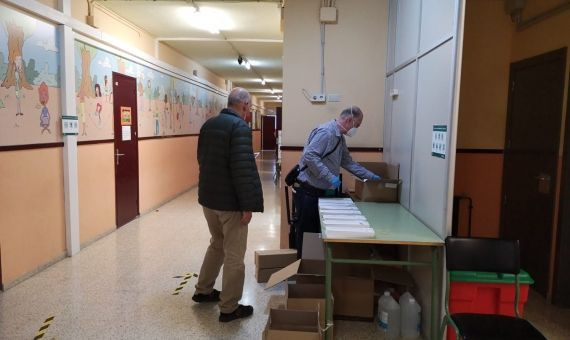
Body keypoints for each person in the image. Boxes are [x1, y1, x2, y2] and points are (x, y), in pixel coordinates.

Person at [192, 87, 264, 323]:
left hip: (209, 200)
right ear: (243, 106)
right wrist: (247, 206)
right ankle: (229, 307)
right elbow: (242, 170)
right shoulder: (239, 127)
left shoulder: (209, 124)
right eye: (249, 108)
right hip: (230, 204)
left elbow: (201, 158)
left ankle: (203, 291)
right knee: (234, 255)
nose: (249, 112)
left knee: (217, 244)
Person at [292, 106, 381, 256]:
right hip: (309, 192)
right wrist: (330, 177)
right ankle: (304, 271)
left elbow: (348, 162)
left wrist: (370, 176)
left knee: (319, 233)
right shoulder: (326, 133)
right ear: (348, 120)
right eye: (357, 125)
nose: (356, 129)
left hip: (320, 192)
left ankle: (316, 267)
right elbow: (310, 156)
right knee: (308, 236)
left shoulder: (339, 137)